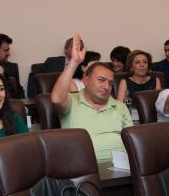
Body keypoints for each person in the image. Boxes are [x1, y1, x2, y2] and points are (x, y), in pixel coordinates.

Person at [50, 33, 132, 162]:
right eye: (101, 80)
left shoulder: (120, 107)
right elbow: (56, 99)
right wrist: (74, 62)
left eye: (110, 83)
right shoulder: (72, 101)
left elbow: (132, 141)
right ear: (86, 81)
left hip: (121, 167)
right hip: (83, 167)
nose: (106, 86)